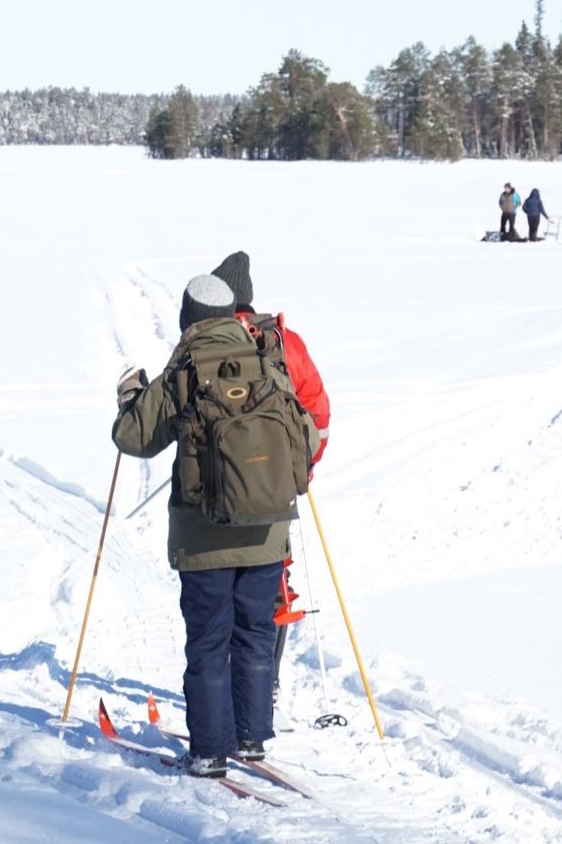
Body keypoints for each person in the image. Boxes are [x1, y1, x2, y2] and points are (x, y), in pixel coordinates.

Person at [112, 274, 288, 778]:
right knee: (254, 632)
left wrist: (130, 398)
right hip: (266, 532)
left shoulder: (184, 370)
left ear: (188, 317)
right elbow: (301, 434)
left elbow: (133, 436)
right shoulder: (266, 361)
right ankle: (252, 737)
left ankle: (210, 749)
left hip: (205, 535)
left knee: (209, 640)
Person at [210, 251, 329, 702]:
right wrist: (300, 471)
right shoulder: (286, 342)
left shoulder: (203, 341)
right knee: (273, 581)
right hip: (276, 490)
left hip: (217, 493)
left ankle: (219, 691)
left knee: (215, 587)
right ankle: (264, 687)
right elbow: (319, 414)